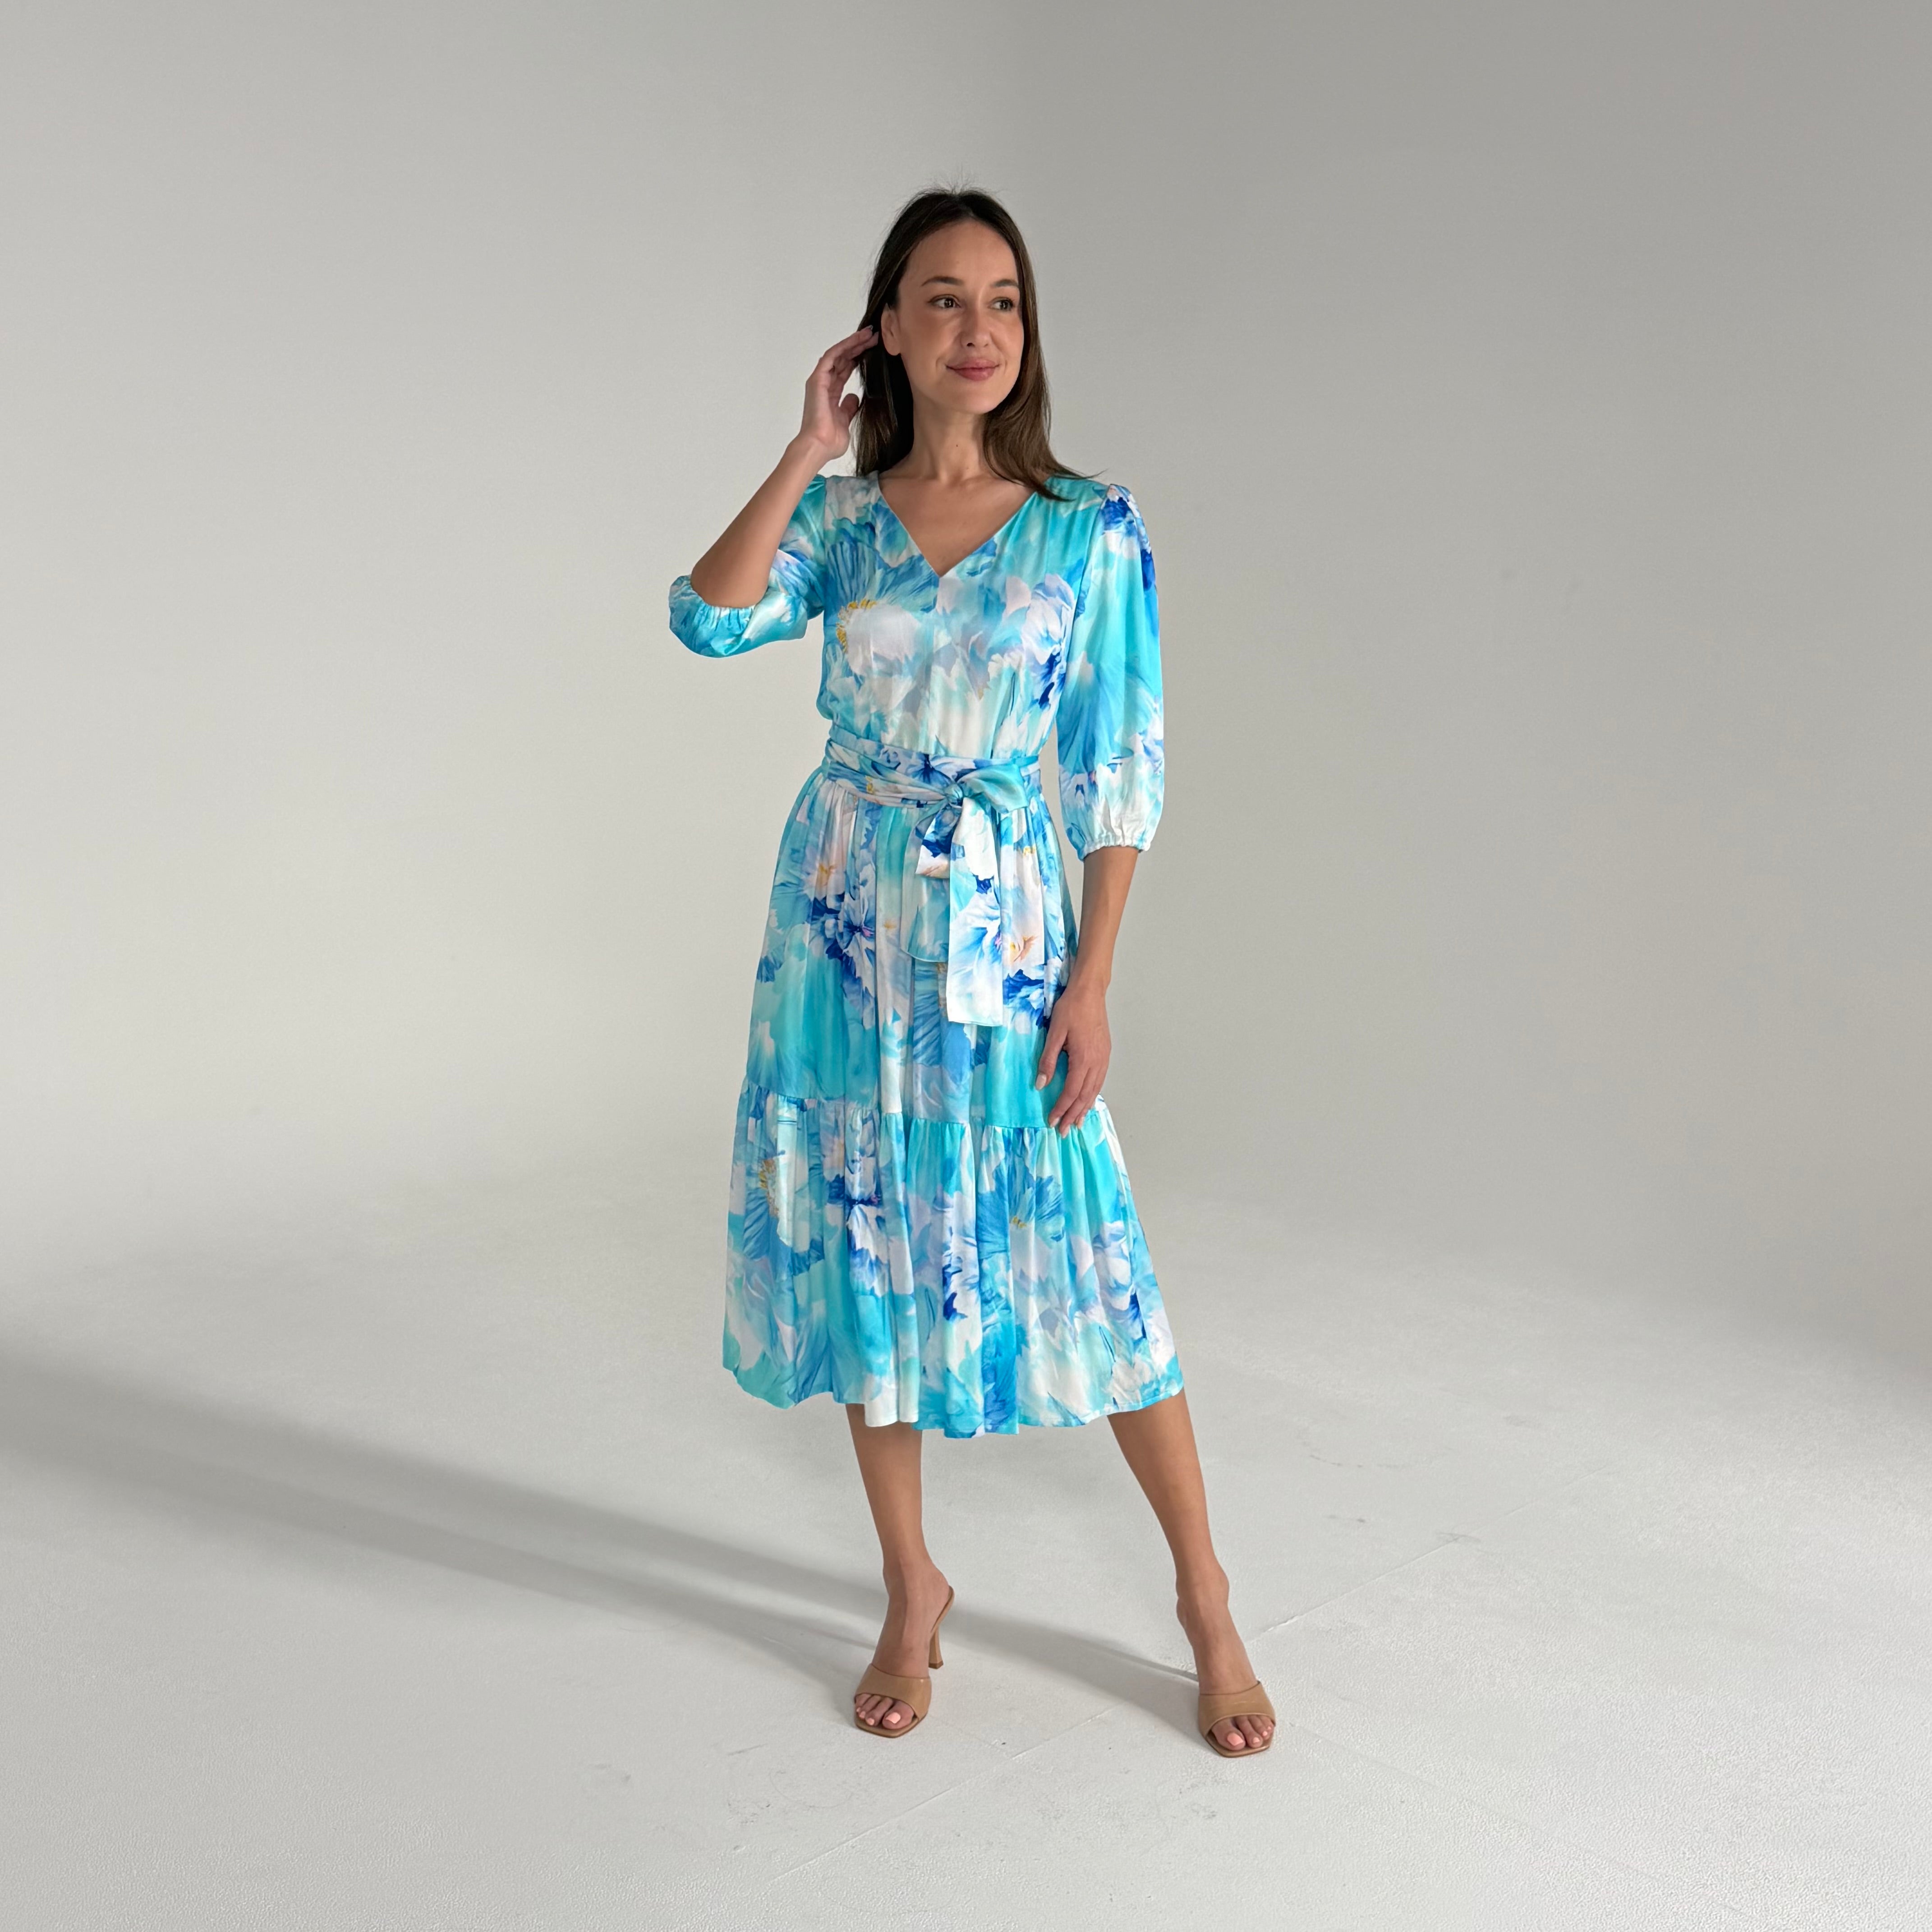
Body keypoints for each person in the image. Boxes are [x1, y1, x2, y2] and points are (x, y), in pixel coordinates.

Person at [667, 186, 1274, 1757]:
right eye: (940, 298)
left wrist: (1091, 978)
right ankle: (910, 1581)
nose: (978, 329)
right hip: (840, 922)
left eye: (1002, 300)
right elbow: (705, 621)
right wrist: (804, 448)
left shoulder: (1087, 526)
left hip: (1003, 933)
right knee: (866, 1230)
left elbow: (1117, 767)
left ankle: (1204, 1598)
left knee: (1091, 1249)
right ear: (884, 328)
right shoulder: (842, 521)